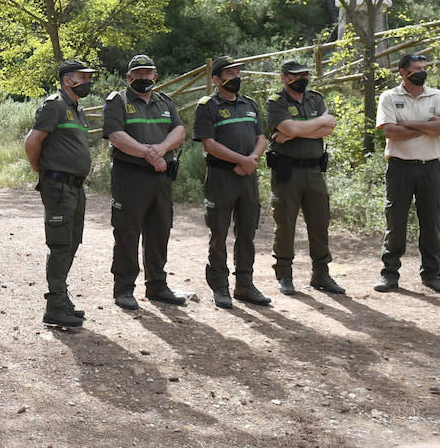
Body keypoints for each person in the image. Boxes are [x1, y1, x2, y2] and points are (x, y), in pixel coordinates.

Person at [101, 54, 188, 310]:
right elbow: (116, 136)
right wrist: (149, 154)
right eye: (137, 73)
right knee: (127, 232)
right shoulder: (117, 101)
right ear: (128, 77)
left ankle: (157, 286)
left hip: (161, 178)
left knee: (160, 231)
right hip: (130, 177)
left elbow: (179, 131)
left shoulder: (165, 102)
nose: (143, 77)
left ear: (155, 76)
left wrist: (160, 150)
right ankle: (124, 289)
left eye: (147, 73)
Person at [25, 58, 98, 328]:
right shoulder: (54, 105)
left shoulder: (77, 110)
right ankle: (54, 306)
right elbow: (32, 142)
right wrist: (42, 172)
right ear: (69, 79)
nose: (88, 81)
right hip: (58, 186)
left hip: (76, 188)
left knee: (73, 242)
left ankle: (61, 298)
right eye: (84, 77)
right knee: (59, 245)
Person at [194, 57, 270, 309]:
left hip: (248, 178)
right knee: (219, 233)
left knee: (247, 232)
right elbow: (209, 144)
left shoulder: (250, 104)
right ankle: (220, 286)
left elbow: (262, 137)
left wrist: (252, 160)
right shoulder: (207, 106)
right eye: (229, 72)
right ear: (216, 79)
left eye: (237, 71)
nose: (235, 75)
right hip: (221, 178)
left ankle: (245, 285)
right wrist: (241, 160)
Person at [374, 54, 440, 295]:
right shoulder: (389, 96)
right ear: (402, 72)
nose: (422, 72)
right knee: (395, 222)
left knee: (430, 222)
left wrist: (407, 123)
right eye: (416, 69)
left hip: (430, 167)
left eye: (424, 68)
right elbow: (389, 131)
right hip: (400, 167)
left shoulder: (436, 96)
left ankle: (431, 275)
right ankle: (389, 275)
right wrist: (427, 125)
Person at [265, 59, 345, 296]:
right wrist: (309, 126)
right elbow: (292, 129)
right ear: (284, 78)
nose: (302, 79)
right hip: (287, 172)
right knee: (285, 225)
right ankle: (285, 276)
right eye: (296, 76)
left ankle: (321, 275)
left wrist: (296, 130)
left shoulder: (315, 98)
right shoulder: (276, 102)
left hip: (314, 170)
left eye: (305, 75)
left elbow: (329, 128)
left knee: (320, 223)